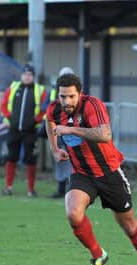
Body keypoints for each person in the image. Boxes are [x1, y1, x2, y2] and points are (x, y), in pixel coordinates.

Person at [46, 72, 137, 265]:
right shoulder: (54, 108)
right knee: (73, 213)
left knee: (129, 226)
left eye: (70, 96)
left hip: (109, 174)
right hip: (82, 174)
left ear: (79, 94)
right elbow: (49, 122)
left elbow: (105, 134)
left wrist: (69, 129)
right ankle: (98, 255)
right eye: (62, 96)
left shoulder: (91, 106)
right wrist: (54, 149)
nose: (66, 101)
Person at [0, 64, 48, 196]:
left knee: (31, 159)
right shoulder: (14, 87)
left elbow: (44, 109)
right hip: (14, 130)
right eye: (25, 74)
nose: (27, 77)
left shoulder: (40, 90)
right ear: (21, 76)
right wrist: (11, 119)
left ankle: (31, 189)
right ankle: (8, 187)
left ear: (33, 77)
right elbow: (3, 104)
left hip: (31, 131)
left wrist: (35, 121)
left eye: (30, 75)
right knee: (11, 157)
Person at [48, 66, 74, 198]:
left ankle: (71, 190)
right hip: (57, 131)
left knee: (72, 161)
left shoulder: (76, 93)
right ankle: (61, 189)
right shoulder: (55, 92)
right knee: (59, 159)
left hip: (70, 131)